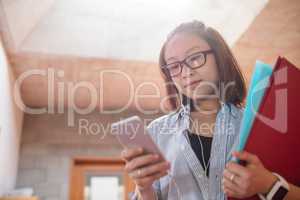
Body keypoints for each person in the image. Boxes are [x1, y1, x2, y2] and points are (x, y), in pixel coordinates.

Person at [120, 21, 300, 200]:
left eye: (195, 57)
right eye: (174, 66)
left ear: (219, 58)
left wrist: (268, 184)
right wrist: (143, 189)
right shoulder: (156, 133)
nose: (185, 72)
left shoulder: (258, 125)